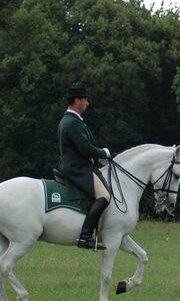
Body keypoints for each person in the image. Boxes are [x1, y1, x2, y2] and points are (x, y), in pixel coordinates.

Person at [57, 85, 111, 250]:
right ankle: (85, 236)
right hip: (77, 169)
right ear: (77, 101)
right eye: (85, 100)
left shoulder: (73, 120)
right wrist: (104, 152)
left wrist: (97, 158)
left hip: (79, 165)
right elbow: (85, 148)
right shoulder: (72, 123)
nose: (87, 103)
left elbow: (83, 147)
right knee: (104, 196)